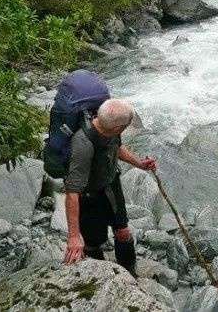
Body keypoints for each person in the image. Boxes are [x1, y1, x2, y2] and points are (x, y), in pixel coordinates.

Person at [63, 98, 156, 275]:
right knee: (92, 243)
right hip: (88, 198)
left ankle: (129, 274)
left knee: (123, 232)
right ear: (117, 128)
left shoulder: (110, 129)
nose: (128, 127)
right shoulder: (82, 145)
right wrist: (74, 236)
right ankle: (102, 276)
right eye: (127, 125)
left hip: (111, 185)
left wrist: (140, 164)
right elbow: (72, 192)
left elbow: (116, 149)